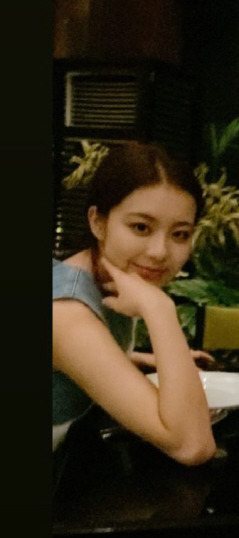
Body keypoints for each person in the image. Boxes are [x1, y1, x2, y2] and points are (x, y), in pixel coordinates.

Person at [53, 141, 216, 465]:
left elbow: (77, 361)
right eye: (141, 227)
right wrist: (160, 309)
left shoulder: (105, 280)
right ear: (98, 222)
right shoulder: (67, 312)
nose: (159, 252)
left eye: (180, 234)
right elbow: (192, 446)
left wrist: (137, 359)